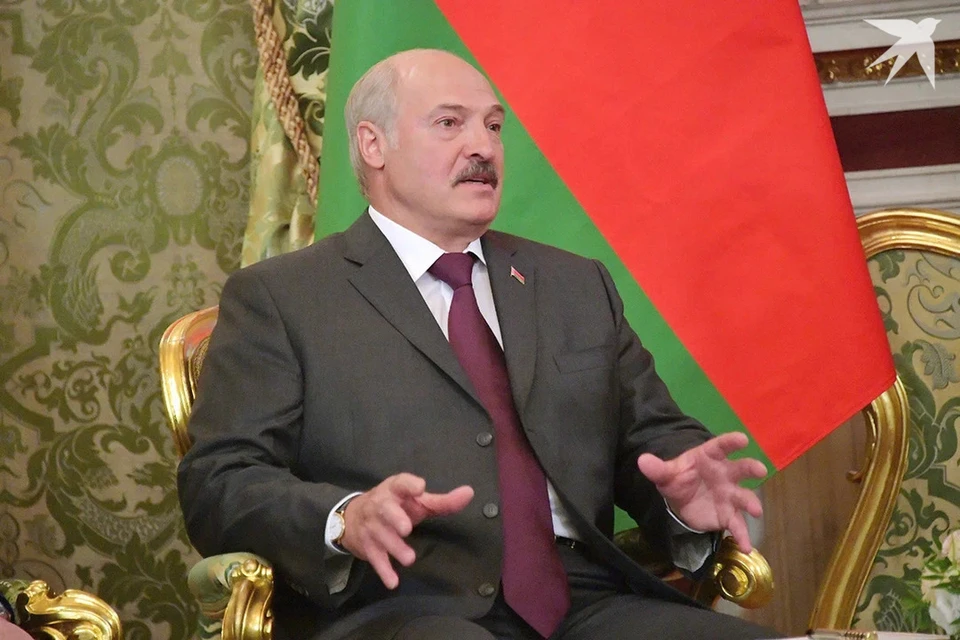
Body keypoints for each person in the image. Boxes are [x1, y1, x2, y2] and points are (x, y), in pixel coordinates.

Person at [178, 48, 781, 640]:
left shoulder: (573, 284)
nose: (484, 148)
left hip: (584, 598)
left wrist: (680, 496)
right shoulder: (284, 297)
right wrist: (343, 517)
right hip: (398, 602)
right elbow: (221, 480)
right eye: (449, 123)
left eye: (493, 126)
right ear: (373, 145)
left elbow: (650, 437)